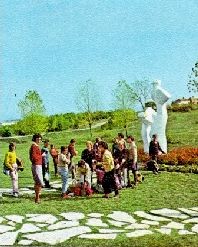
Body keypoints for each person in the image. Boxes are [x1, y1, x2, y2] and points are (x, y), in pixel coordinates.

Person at [29, 133, 44, 203]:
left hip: (38, 165)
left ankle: (37, 198)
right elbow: (33, 157)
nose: (39, 140)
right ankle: (37, 198)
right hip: (36, 165)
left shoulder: (36, 146)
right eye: (38, 139)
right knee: (39, 182)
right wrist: (41, 155)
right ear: (35, 139)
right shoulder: (34, 146)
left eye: (40, 139)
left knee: (37, 182)